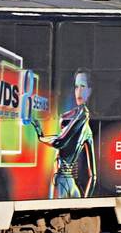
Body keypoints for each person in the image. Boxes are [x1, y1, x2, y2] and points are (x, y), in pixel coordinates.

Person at [33, 68, 96, 199]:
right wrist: (86, 201)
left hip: (60, 182)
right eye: (76, 87)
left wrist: (40, 137)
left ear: (90, 91)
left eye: (83, 86)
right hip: (74, 187)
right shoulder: (87, 130)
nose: (78, 91)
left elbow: (59, 142)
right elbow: (93, 176)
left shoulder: (81, 115)